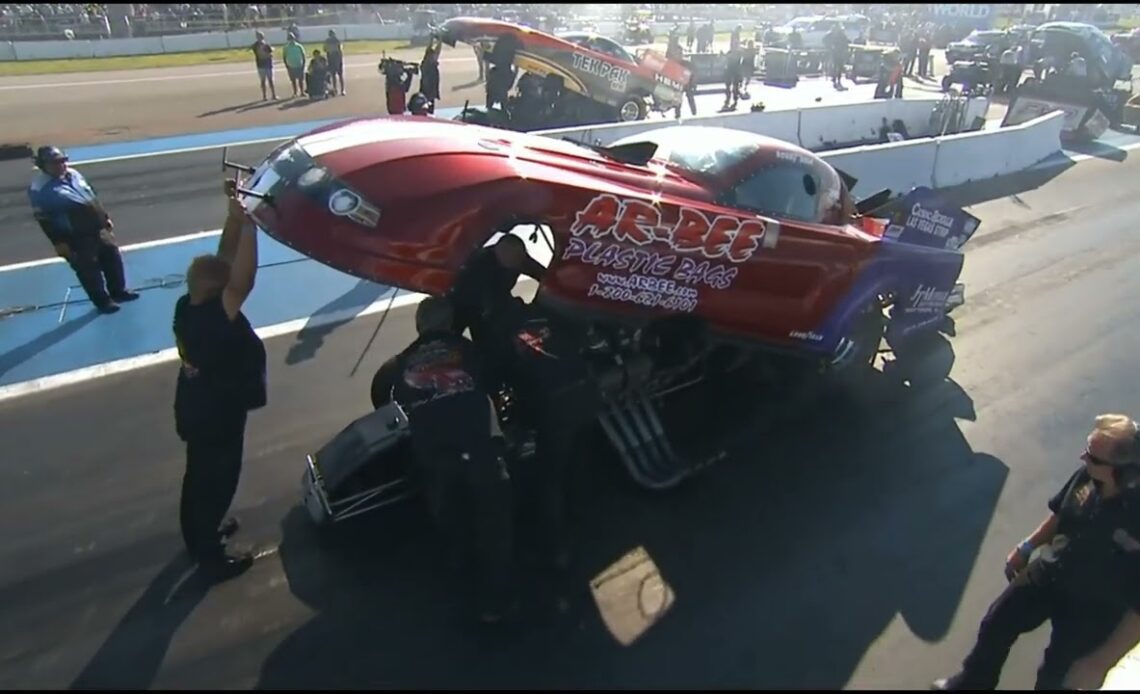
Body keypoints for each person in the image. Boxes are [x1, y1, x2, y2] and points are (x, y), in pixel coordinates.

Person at [932, 414, 1140, 691]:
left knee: (1055, 677)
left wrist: (1101, 662)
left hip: (1094, 607)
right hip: (1053, 571)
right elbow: (1060, 515)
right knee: (998, 622)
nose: (1082, 458)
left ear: (1123, 472)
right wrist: (1027, 546)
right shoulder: (1088, 476)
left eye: (1093, 457)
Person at [372, 296, 516, 623]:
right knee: (494, 523)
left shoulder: (398, 362)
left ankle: (458, 568)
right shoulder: (470, 350)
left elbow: (380, 398)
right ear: (451, 324)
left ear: (419, 327)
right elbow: (498, 384)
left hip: (434, 452)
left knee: (451, 513)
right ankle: (495, 603)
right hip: (478, 446)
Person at [172, 178, 266, 580]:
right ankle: (209, 557)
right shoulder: (216, 318)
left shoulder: (189, 306)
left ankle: (199, 534)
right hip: (218, 413)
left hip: (194, 406)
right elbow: (242, 279)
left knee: (196, 478)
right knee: (216, 481)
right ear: (217, 291)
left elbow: (224, 261)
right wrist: (253, 226)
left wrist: (235, 215)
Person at [27, 145, 139, 314]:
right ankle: (102, 301)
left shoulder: (74, 174)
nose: (61, 165)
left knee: (112, 258)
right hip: (73, 236)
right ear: (43, 165)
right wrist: (58, 242)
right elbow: (44, 219)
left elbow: (91, 196)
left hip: (96, 228)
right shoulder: (40, 189)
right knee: (88, 270)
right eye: (55, 163)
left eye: (63, 161)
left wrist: (105, 217)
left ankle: (118, 292)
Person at [250, 31, 277, 101]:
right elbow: (270, 53)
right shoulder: (265, 45)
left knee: (264, 81)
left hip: (262, 65)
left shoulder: (256, 45)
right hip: (266, 64)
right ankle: (272, 95)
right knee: (269, 80)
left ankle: (265, 96)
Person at [282, 33, 306, 97]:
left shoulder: (299, 46)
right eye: (290, 38)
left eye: (292, 38)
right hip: (291, 66)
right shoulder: (286, 47)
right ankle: (295, 92)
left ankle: (302, 92)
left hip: (299, 65)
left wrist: (303, 64)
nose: (291, 40)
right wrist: (287, 66)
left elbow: (303, 55)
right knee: (293, 80)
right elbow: (284, 57)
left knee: (300, 80)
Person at [323, 29, 345, 96]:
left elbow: (340, 49)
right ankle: (335, 89)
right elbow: (324, 49)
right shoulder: (327, 41)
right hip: (331, 59)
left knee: (340, 74)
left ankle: (342, 89)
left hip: (337, 59)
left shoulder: (337, 40)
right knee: (333, 75)